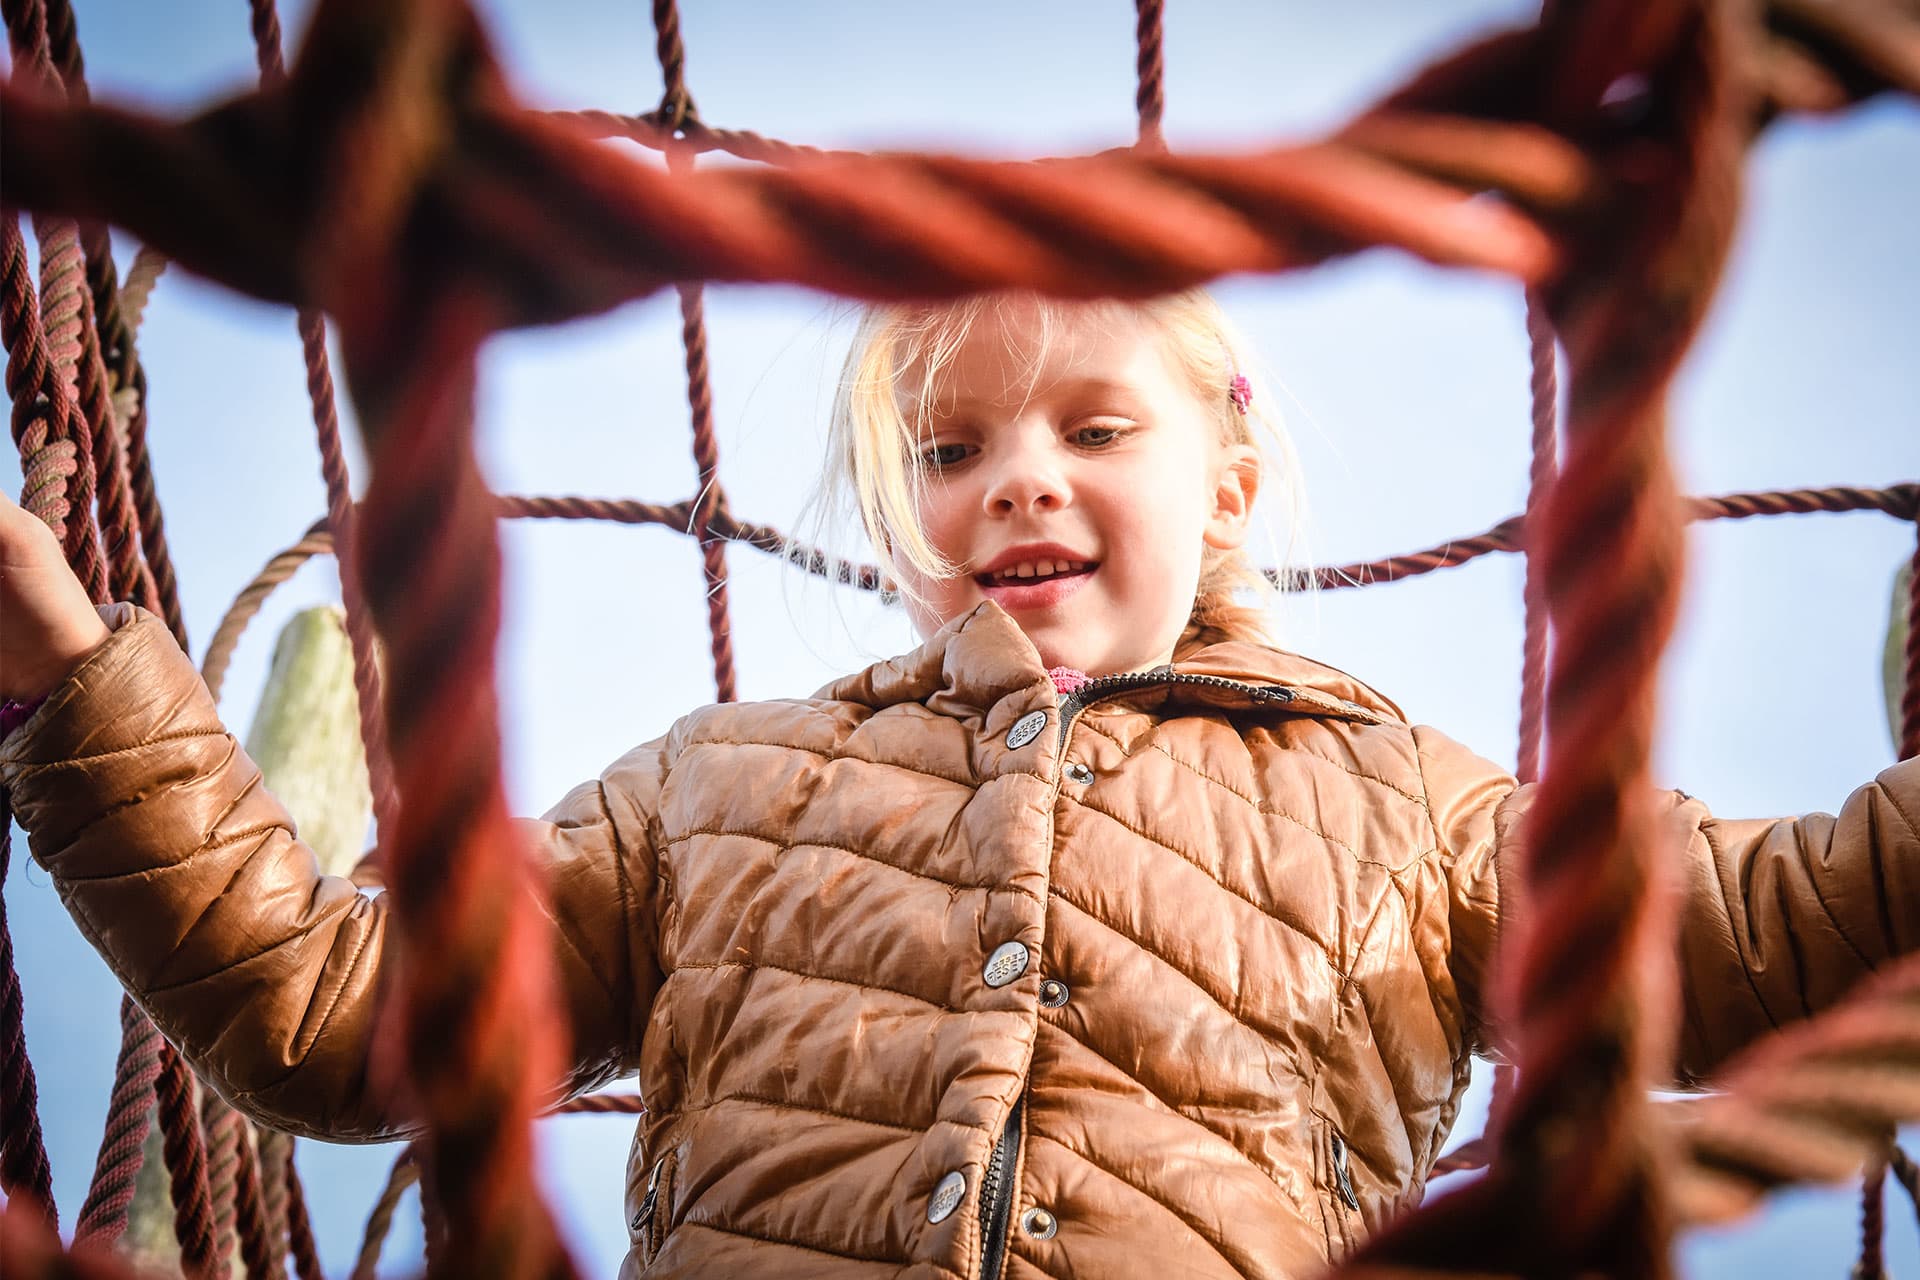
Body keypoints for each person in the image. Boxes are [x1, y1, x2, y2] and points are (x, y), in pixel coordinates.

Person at [1, 290, 1914, 1279]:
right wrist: (72, 683)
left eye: (1095, 428)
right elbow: (337, 1017)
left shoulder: (1407, 805)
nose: (1018, 475)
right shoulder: (718, 785)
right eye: (952, 445)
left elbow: (1765, 934)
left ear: (1224, 480)